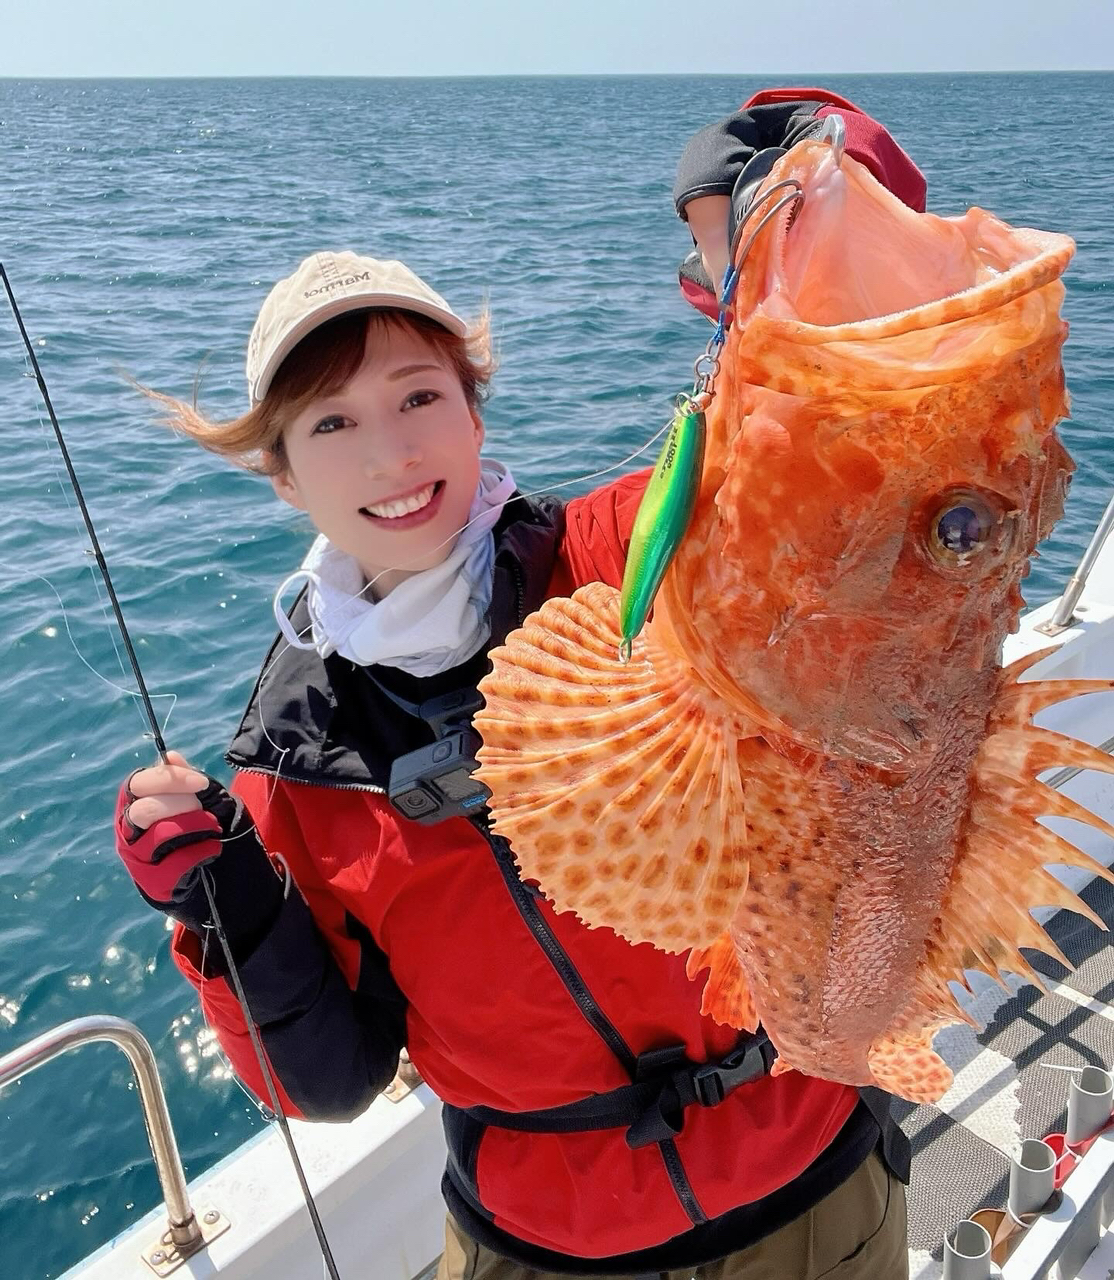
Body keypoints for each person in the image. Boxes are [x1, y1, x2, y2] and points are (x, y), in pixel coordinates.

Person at [114, 91, 926, 1280]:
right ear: (281, 475)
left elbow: (841, 452)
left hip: (811, 1182)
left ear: (474, 410)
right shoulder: (296, 766)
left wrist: (793, 214)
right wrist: (228, 917)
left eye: (419, 395)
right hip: (540, 1248)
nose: (390, 454)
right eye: (331, 421)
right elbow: (328, 1082)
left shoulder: (634, 552)